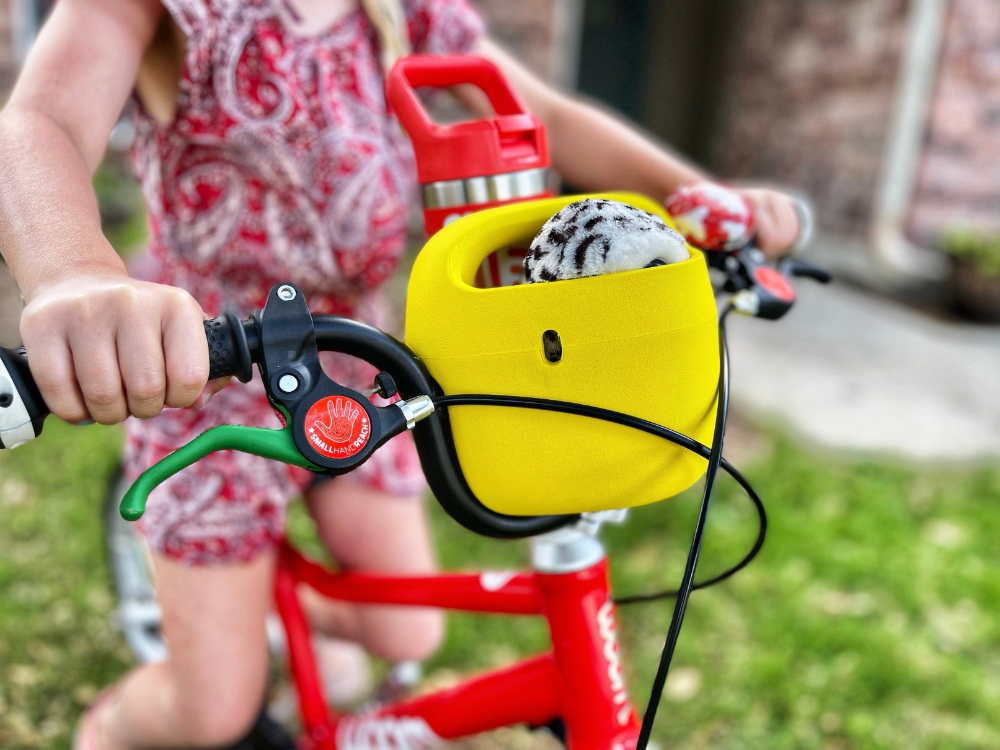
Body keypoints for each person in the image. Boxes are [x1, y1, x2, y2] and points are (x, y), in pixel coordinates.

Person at [0, 0, 802, 747]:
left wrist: (701, 201)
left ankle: (276, 616)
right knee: (213, 712)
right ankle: (113, 728)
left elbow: (546, 118)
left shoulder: (394, 6)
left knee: (406, 632)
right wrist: (72, 268)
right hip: (205, 373)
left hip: (359, 366)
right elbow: (44, 122)